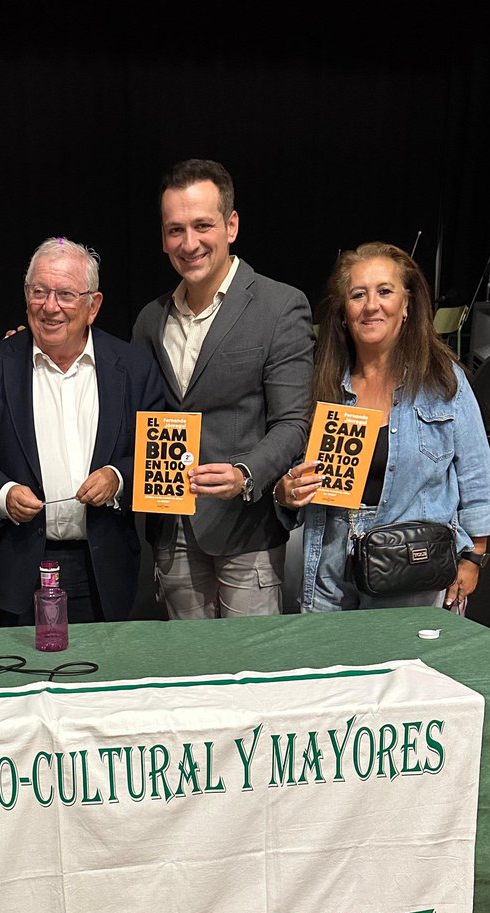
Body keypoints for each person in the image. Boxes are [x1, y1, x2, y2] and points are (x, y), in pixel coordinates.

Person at [274, 241, 490, 611]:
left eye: (384, 291)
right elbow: (294, 479)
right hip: (332, 576)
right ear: (343, 312)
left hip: (417, 574)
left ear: (407, 305)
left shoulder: (445, 383)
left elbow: (478, 478)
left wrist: (474, 557)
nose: (371, 305)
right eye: (358, 294)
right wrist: (286, 493)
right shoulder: (321, 387)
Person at [132, 159, 313, 618]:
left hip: (245, 530)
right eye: (175, 229)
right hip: (170, 528)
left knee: (248, 675)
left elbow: (293, 420)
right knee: (188, 674)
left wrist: (245, 473)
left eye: (202, 225)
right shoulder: (150, 320)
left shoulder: (280, 305)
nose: (188, 243)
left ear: (231, 225)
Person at [0, 237, 164, 625]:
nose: (50, 306)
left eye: (66, 294)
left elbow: (155, 455)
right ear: (26, 296)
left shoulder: (134, 368)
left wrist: (118, 477)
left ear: (93, 305)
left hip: (102, 567)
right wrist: (3, 494)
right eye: (39, 291)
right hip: (19, 569)